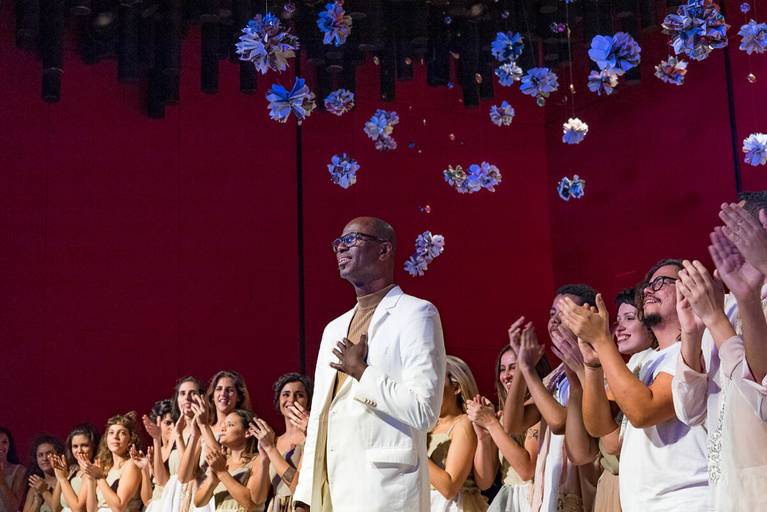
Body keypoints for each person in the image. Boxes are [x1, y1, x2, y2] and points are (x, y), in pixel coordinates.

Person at [293, 217, 446, 512]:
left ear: (384, 250)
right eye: (338, 243)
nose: (341, 248)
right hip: (333, 494)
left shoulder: (417, 314)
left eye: (351, 240)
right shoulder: (333, 329)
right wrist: (305, 495)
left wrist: (362, 373)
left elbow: (425, 411)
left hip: (384, 492)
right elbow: (321, 417)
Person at [560, 259, 709, 512]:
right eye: (648, 285)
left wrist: (602, 340)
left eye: (661, 282)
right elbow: (599, 428)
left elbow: (644, 412)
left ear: (689, 288)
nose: (648, 289)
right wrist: (593, 364)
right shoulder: (641, 361)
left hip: (685, 501)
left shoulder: (695, 348)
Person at [671, 195, 767, 510]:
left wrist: (719, 319)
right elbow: (690, 411)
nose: (729, 244)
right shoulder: (724, 306)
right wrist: (692, 332)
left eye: (739, 230)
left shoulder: (726, 311)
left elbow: (762, 399)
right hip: (726, 493)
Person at [503, 285, 601, 512]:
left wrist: (529, 369)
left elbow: (559, 422)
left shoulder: (599, 368)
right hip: (550, 488)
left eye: (563, 312)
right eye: (551, 313)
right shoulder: (555, 376)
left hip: (581, 487)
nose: (554, 320)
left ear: (589, 314)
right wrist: (522, 366)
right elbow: (513, 423)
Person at [576, 289, 655, 512]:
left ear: (650, 323)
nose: (618, 328)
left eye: (629, 318)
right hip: (616, 483)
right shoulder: (627, 366)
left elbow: (613, 444)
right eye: (617, 320)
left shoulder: (656, 363)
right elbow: (595, 426)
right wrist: (591, 364)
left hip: (642, 485)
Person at [468, 343, 549, 512]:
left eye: (513, 368)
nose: (506, 376)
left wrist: (491, 424)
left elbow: (526, 471)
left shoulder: (539, 408)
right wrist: (484, 437)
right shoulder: (501, 417)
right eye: (502, 369)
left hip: (532, 499)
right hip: (509, 500)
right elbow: (484, 482)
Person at [427, 356, 487, 512]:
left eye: (436, 380)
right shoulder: (427, 427)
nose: (429, 387)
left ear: (456, 387)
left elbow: (449, 488)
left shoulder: (463, 423)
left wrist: (413, 448)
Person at [249, 373, 311, 512]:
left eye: (299, 395)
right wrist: (264, 459)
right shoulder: (272, 441)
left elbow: (298, 487)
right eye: (286, 394)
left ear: (308, 402)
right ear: (278, 401)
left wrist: (271, 449)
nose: (291, 400)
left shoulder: (310, 438)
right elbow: (258, 499)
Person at [193, 410, 263, 512]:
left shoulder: (258, 460)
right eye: (223, 425)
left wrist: (222, 473)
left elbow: (251, 504)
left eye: (230, 425)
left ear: (247, 432)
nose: (222, 428)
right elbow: (198, 502)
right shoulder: (222, 462)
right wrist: (212, 480)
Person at [79, 412, 142, 512]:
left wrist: (99, 478)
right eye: (111, 433)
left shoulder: (131, 464)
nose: (115, 436)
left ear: (130, 440)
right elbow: (91, 510)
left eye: (122, 433)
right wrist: (91, 479)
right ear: (106, 438)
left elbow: (119, 507)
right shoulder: (106, 468)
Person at [50, 424, 100, 512]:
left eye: (84, 445)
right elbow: (55, 508)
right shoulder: (73, 471)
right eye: (75, 446)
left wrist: (63, 480)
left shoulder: (93, 472)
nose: (79, 450)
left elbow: (78, 509)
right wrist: (60, 477)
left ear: (94, 446)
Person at [22, 435, 64, 512]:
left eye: (49, 454)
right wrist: (37, 502)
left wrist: (44, 492)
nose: (44, 458)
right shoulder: (35, 485)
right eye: (40, 455)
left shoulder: (66, 480)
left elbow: (60, 510)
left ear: (58, 455)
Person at [0, 427, 25, 512]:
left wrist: (2, 481)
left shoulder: (19, 471)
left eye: (4, 442)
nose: (1, 446)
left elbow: (13, 508)